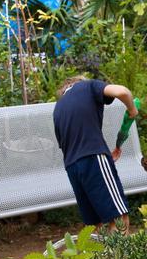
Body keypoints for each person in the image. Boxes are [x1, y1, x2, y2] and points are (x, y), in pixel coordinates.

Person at [52, 76, 139, 231]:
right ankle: (122, 256)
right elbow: (122, 92)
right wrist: (132, 110)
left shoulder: (58, 108)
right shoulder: (87, 86)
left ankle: (101, 256)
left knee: (94, 225)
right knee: (118, 217)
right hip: (93, 157)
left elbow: (66, 144)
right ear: (79, 81)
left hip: (72, 167)